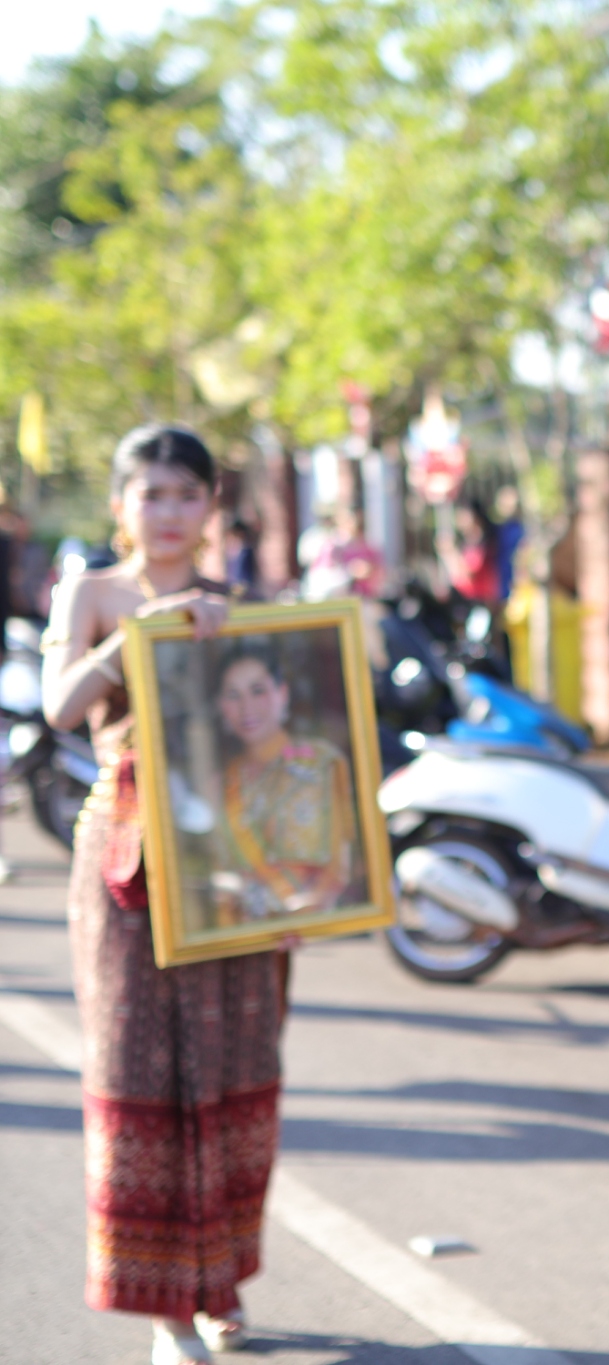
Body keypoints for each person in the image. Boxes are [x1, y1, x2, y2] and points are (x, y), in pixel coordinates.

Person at [42, 424, 282, 1365]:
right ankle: (166, 1310)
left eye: (189, 493)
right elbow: (60, 705)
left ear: (212, 506)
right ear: (121, 506)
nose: (171, 511)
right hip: (125, 860)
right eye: (153, 493)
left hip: (229, 856)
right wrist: (137, 638)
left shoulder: (241, 605)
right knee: (140, 1071)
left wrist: (304, 897)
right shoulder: (93, 593)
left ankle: (219, 1284)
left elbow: (278, 739)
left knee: (232, 1067)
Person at [212, 646, 357, 925]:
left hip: (309, 923)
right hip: (239, 930)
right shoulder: (221, 781)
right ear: (221, 706)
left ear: (283, 694)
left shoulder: (322, 763)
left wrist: (300, 916)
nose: (246, 707)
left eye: (258, 691)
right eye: (233, 695)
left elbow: (340, 865)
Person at [437, 496, 500, 603]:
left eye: (463, 515)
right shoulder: (468, 542)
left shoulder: (483, 543)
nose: (459, 519)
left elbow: (469, 576)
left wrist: (449, 553)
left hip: (478, 600)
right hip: (466, 599)